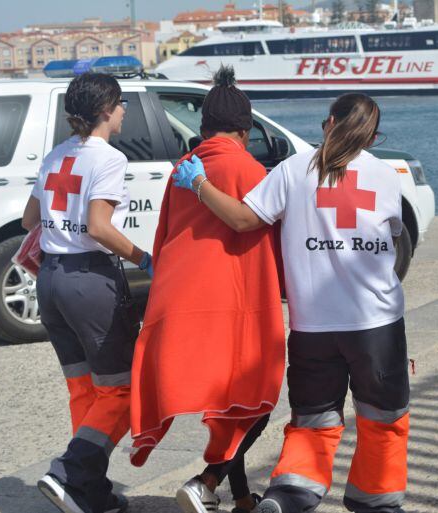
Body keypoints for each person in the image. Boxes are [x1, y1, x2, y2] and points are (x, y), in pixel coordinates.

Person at [174, 93, 410, 513]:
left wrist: (199, 184)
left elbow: (243, 219)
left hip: (313, 328)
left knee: (312, 425)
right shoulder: (387, 176)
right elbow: (393, 237)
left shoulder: (293, 169)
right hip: (377, 326)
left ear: (328, 123)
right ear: (372, 137)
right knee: (382, 422)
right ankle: (376, 504)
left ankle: (287, 499)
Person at [129, 66, 286, 513]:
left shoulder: (184, 167)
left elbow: (163, 235)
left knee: (230, 405)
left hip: (179, 298)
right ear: (246, 127)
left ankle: (237, 498)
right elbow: (264, 235)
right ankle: (205, 482)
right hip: (231, 305)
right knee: (253, 402)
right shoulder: (252, 169)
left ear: (203, 128)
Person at [21, 72, 153, 513]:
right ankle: (69, 472)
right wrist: (145, 258)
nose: (124, 111)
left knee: (85, 391)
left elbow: (28, 220)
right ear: (104, 111)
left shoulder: (56, 155)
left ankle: (89, 491)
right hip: (89, 281)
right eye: (120, 104)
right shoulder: (109, 158)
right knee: (121, 390)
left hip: (51, 279)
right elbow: (99, 227)